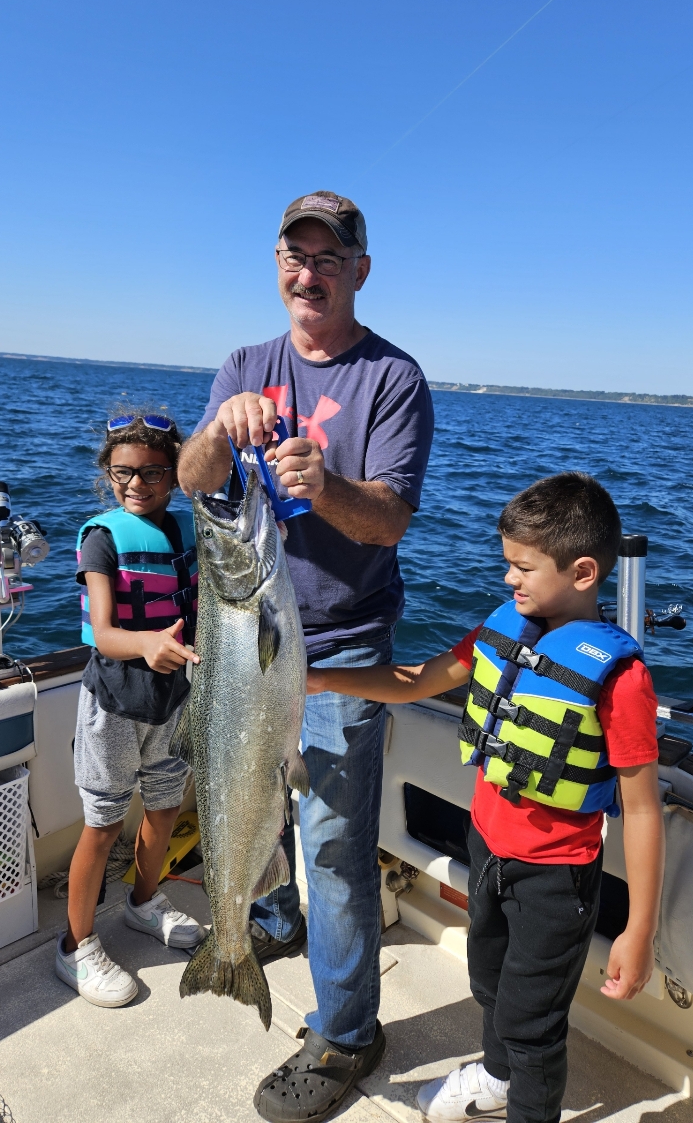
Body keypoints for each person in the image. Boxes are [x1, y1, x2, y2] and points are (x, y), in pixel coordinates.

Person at [177, 191, 434, 1120]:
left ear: (360, 269)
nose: (309, 273)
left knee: (331, 846)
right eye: (296, 255)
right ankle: (267, 919)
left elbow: (390, 519)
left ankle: (348, 1033)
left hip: (343, 642)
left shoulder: (393, 379)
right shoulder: (245, 365)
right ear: (278, 264)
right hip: (240, 636)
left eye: (329, 258)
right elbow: (194, 482)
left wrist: (324, 489)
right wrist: (219, 428)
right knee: (244, 792)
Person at [307, 472, 665, 1123]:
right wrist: (324, 678)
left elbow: (641, 809)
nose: (509, 579)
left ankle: (524, 1097)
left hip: (554, 878)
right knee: (489, 982)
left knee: (533, 1026)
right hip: (487, 850)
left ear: (583, 572)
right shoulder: (503, 632)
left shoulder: (622, 680)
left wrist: (638, 930)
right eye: (509, 564)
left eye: (523, 568)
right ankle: (497, 1078)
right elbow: (417, 680)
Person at [55, 411, 206, 1008]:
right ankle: (75, 945)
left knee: (165, 808)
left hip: (175, 703)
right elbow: (103, 631)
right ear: (108, 474)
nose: (136, 484)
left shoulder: (190, 530)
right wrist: (146, 644)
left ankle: (143, 902)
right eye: (123, 473)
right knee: (103, 824)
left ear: (175, 475)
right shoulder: (102, 538)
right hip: (114, 704)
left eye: (152, 472)